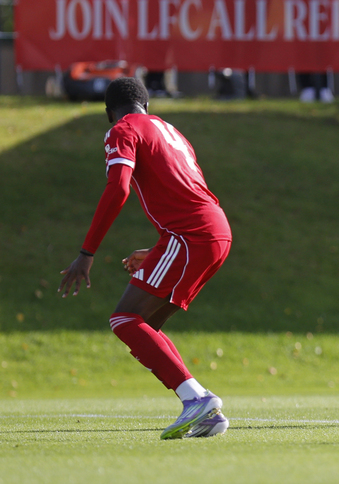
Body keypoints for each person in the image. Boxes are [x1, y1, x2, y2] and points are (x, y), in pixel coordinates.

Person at [58, 77, 233, 440]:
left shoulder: (122, 130)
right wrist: (158, 250)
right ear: (147, 105)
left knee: (124, 319)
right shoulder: (171, 131)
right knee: (144, 325)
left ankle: (196, 399)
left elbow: (119, 186)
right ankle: (205, 412)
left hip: (190, 236)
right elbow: (187, 193)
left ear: (109, 112)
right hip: (214, 231)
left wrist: (86, 253)